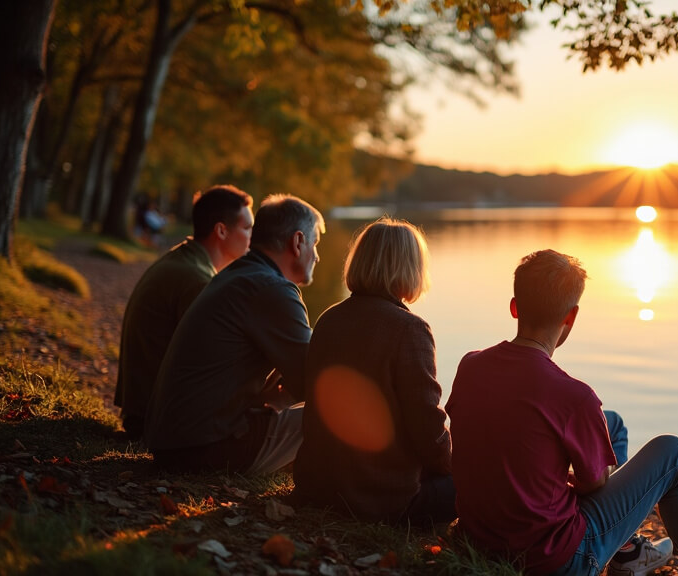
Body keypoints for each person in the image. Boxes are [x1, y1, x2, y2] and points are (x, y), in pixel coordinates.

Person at [446, 250, 678, 576]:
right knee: (673, 453)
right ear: (571, 316)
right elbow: (593, 485)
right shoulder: (574, 396)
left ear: (514, 306)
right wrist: (581, 479)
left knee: (613, 425)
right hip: (558, 559)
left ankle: (625, 554)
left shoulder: (470, 366)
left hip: (479, 541)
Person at [144, 194, 324, 475]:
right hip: (204, 449)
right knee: (341, 413)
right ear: (298, 242)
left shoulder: (238, 276)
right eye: (315, 243)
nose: (317, 255)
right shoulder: (271, 289)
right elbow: (314, 381)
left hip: (175, 442)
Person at [292, 217, 453, 526]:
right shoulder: (410, 330)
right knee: (474, 482)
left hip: (317, 488)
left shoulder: (328, 320)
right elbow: (427, 427)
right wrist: (456, 466)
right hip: (383, 499)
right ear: (411, 269)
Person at [114, 184, 253, 440]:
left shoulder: (185, 260)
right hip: (157, 421)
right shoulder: (197, 280)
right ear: (221, 230)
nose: (251, 238)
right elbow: (214, 363)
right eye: (246, 228)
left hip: (145, 411)